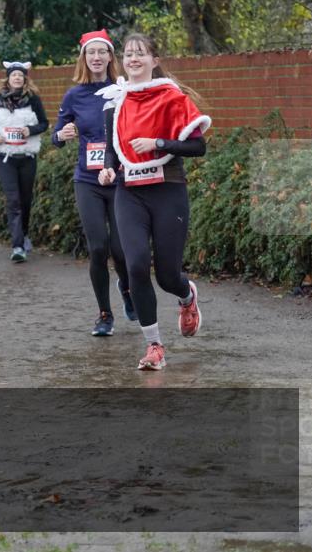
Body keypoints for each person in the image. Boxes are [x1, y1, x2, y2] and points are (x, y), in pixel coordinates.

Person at [97, 33, 210, 371]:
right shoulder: (115, 101)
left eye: (141, 53)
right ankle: (154, 346)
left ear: (154, 60)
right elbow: (112, 150)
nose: (133, 59)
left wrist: (159, 142)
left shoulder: (171, 97)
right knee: (134, 266)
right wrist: (107, 170)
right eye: (129, 54)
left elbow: (198, 147)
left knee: (166, 275)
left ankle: (186, 295)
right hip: (129, 193)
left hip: (168, 190)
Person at [52, 29, 135, 337]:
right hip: (87, 180)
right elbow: (56, 136)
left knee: (122, 249)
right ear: (84, 58)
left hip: (119, 178)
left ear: (111, 57)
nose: (97, 57)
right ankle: (104, 314)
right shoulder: (74, 95)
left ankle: (127, 290)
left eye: (103, 52)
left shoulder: (123, 90)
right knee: (98, 247)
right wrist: (62, 134)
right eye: (91, 53)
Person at [0, 61, 49, 262]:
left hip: (27, 157)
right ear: (8, 78)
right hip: (6, 157)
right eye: (14, 75)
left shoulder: (33, 99)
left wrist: (30, 130)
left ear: (25, 79)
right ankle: (18, 246)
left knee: (25, 200)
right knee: (13, 200)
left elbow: (44, 123)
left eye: (21, 75)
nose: (17, 78)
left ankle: (25, 233)